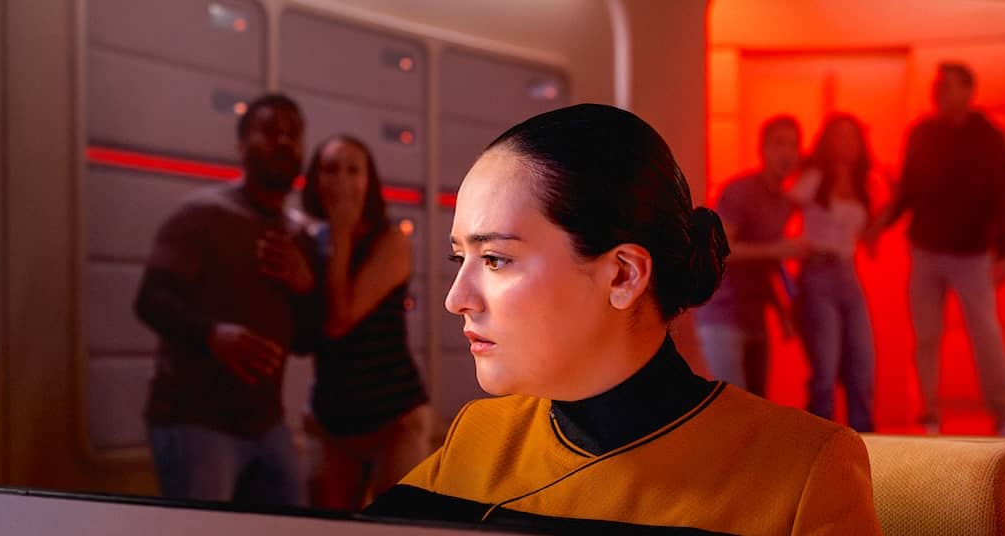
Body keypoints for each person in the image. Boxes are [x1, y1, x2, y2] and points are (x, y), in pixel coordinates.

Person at [363, 104, 881, 534]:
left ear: (622, 276)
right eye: (460, 258)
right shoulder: (479, 435)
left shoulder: (805, 471)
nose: (457, 298)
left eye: (496, 259)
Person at [134, 94, 316, 506]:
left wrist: (305, 285)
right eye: (270, 131)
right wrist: (213, 335)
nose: (283, 141)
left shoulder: (298, 235)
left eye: (293, 134)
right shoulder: (201, 215)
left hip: (266, 423)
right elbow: (150, 300)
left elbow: (306, 340)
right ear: (241, 144)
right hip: (195, 421)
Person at [867, 62, 1005, 437]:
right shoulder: (921, 133)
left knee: (985, 334)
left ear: (969, 91)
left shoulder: (989, 137)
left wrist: (1004, 250)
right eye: (938, 85)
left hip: (972, 254)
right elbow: (908, 190)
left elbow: (1003, 193)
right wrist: (879, 224)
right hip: (926, 250)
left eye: (949, 85)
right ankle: (930, 414)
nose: (940, 91)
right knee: (926, 336)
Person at [297, 135, 433, 511]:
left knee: (398, 525)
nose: (341, 180)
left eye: (353, 170)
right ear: (314, 179)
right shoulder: (309, 240)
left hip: (394, 418)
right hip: (331, 419)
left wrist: (341, 231)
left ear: (369, 182)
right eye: (330, 169)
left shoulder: (390, 241)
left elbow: (340, 321)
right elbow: (303, 334)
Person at [695, 115, 809, 396]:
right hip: (722, 314)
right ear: (763, 149)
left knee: (757, 405)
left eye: (793, 145)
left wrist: (782, 311)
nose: (786, 153)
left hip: (754, 316)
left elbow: (766, 265)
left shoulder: (784, 202)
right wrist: (778, 249)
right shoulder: (740, 190)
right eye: (779, 144)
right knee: (734, 404)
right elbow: (721, 249)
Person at [788, 114, 879, 433]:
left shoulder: (863, 183)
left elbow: (868, 239)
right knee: (825, 369)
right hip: (817, 271)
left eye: (852, 136)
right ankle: (820, 441)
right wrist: (786, 249)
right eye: (839, 135)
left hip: (848, 273)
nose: (846, 142)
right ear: (827, 142)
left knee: (862, 365)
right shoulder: (814, 178)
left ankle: (866, 443)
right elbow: (783, 209)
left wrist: (893, 203)